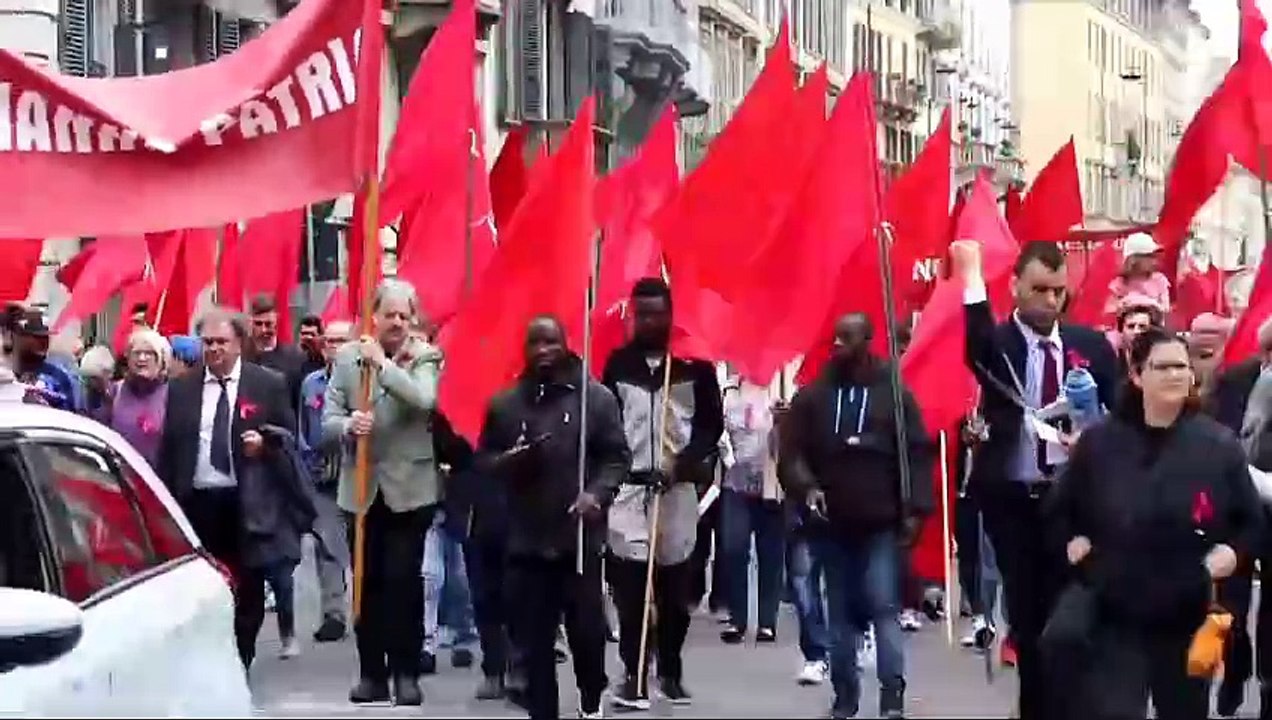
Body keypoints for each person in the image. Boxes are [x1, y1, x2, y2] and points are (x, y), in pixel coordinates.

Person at [1046, 327, 1262, 720]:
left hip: (1187, 609)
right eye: (1162, 367)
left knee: (1183, 711)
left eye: (1182, 366)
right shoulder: (1100, 443)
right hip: (1117, 609)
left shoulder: (1218, 445)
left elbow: (1250, 523)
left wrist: (1232, 552)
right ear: (1137, 374)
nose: (1175, 375)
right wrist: (1073, 541)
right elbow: (1061, 511)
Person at [951, 238, 1121, 720]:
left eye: (1059, 291)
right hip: (1015, 502)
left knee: (1072, 621)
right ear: (1015, 288)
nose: (1050, 301)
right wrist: (971, 274)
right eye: (1039, 289)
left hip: (1076, 505)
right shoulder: (1001, 346)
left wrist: (1093, 420)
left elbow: (1120, 415)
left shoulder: (1089, 347)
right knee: (1029, 621)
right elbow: (977, 344)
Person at [778, 312, 934, 719]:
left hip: (881, 521)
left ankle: (892, 695)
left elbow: (917, 453)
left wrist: (916, 510)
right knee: (841, 613)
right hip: (833, 523)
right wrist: (807, 488)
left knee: (884, 606)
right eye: (837, 338)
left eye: (850, 338)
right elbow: (791, 453)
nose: (840, 346)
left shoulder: (895, 394)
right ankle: (845, 694)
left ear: (868, 340)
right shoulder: (815, 396)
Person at [478, 316, 629, 720]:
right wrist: (509, 460)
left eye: (551, 342)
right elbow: (485, 460)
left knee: (587, 633)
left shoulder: (594, 399)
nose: (543, 350)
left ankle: (591, 695)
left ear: (565, 344)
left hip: (578, 540)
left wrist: (596, 494)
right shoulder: (506, 404)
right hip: (526, 540)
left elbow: (616, 457)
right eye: (535, 343)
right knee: (535, 642)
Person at [155, 307, 306, 671]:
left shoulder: (267, 384)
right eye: (207, 342)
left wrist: (266, 447)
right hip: (198, 502)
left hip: (247, 501)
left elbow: (288, 442)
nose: (214, 349)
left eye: (222, 342)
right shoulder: (182, 388)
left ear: (239, 343)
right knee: (203, 585)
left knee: (249, 584)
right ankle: (209, 657)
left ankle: (242, 655)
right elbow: (170, 449)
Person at [602, 277, 723, 709]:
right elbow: (605, 423)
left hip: (678, 493)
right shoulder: (617, 365)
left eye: (657, 313)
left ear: (671, 315)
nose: (648, 321)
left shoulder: (695, 367)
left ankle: (669, 668)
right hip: (630, 492)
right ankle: (633, 672)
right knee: (631, 590)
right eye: (642, 314)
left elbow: (711, 427)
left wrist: (686, 463)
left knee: (675, 590)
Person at [322, 279, 443, 707]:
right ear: (373, 315)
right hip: (360, 490)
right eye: (388, 314)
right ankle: (372, 673)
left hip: (410, 490)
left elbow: (424, 400)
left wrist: (385, 368)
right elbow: (327, 418)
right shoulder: (348, 357)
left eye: (403, 315)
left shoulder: (424, 356)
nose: (396, 322)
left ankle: (406, 673)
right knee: (366, 584)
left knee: (402, 581)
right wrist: (347, 425)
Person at [298, 320, 354, 644]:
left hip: (356, 473)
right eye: (329, 341)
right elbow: (304, 427)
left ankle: (365, 608)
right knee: (325, 546)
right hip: (323, 477)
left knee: (360, 545)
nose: (334, 346)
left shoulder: (364, 382)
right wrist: (308, 461)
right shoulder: (311, 384)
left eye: (341, 340)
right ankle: (333, 613)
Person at [717, 378, 784, 645]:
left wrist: (783, 421)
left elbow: (793, 439)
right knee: (734, 548)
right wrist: (729, 459)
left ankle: (767, 621)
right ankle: (738, 618)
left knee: (770, 554)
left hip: (771, 484)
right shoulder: (729, 391)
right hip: (736, 483)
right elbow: (719, 435)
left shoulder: (780, 388)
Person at [101, 329, 171, 467]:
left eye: (149, 353)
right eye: (136, 353)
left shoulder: (173, 394)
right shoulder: (114, 391)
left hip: (158, 480)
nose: (142, 358)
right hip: (121, 477)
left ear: (161, 360)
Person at [9, 310, 80, 412]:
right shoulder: (5, 377)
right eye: (36, 336)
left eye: (46, 337)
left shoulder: (58, 378)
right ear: (16, 337)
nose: (43, 342)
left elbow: (70, 415)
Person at [247, 294, 309, 405]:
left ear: (276, 321)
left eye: (268, 324)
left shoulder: (295, 357)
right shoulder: (242, 356)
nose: (263, 330)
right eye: (258, 324)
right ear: (250, 323)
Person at [1103, 232, 1171, 315]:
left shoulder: (1159, 280)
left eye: (1155, 256)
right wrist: (1123, 305)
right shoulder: (1121, 283)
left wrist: (1149, 304)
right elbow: (1108, 309)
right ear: (1134, 259)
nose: (1154, 261)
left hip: (1153, 326)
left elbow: (1165, 308)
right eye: (1149, 256)